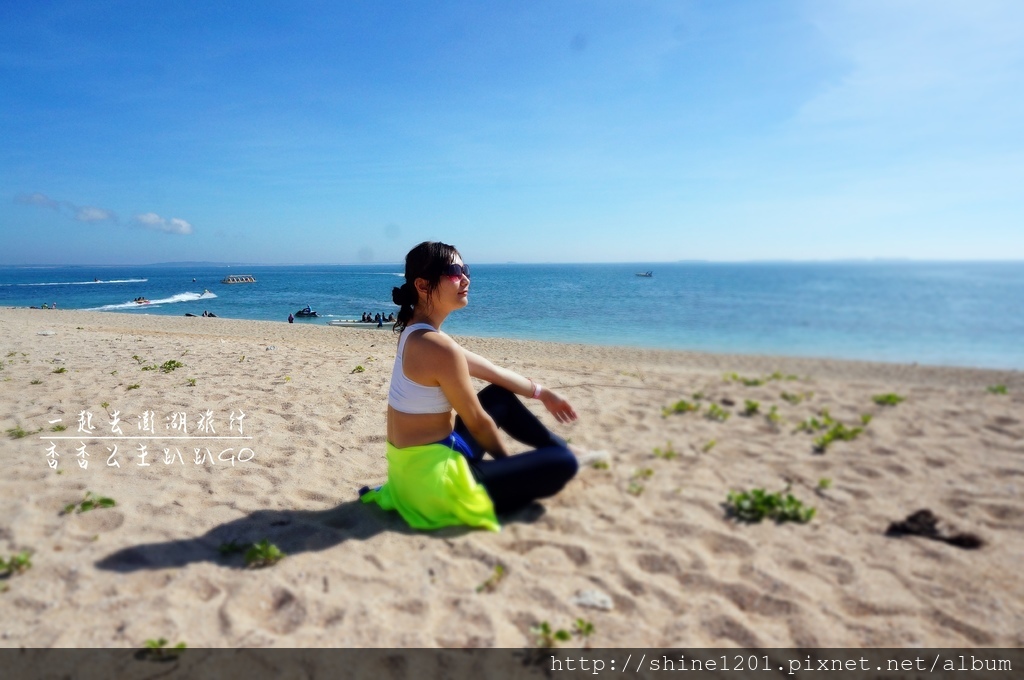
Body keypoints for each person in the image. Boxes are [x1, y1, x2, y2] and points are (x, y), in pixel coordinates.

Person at [360, 241, 579, 532]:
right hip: (435, 484)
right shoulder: (438, 348)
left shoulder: (416, 332)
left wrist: (543, 393)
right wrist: (510, 469)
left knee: (499, 396)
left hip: (414, 470)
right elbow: (479, 423)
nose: (465, 279)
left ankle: (558, 450)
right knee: (563, 463)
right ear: (423, 285)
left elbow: (492, 372)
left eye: (465, 270)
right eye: (453, 271)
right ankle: (560, 455)